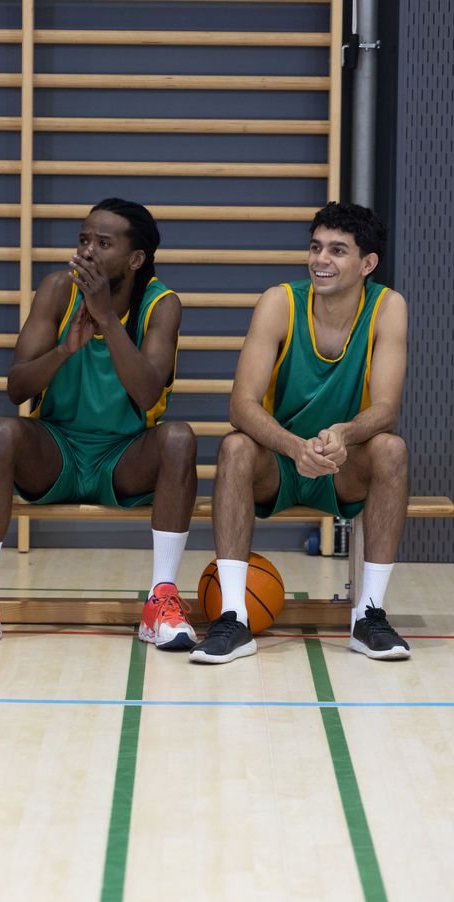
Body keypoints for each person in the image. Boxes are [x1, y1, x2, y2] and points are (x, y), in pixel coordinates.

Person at [0, 197, 198, 651]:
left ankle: (161, 600)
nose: (88, 252)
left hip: (124, 456)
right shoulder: (58, 290)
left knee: (179, 439)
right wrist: (64, 350)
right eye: (83, 240)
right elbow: (16, 388)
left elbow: (146, 393)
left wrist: (105, 318)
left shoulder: (161, 305)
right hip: (57, 450)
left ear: (135, 259)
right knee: (1, 432)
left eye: (104, 243)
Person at [190, 201, 410, 664]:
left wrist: (345, 434)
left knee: (391, 449)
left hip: (341, 465)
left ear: (367, 263)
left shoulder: (388, 308)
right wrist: (294, 447)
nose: (320, 260)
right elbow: (240, 405)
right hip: (279, 463)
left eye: (337, 250)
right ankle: (233, 617)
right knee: (234, 447)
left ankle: (368, 615)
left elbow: (387, 408)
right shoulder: (279, 302)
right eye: (315, 247)